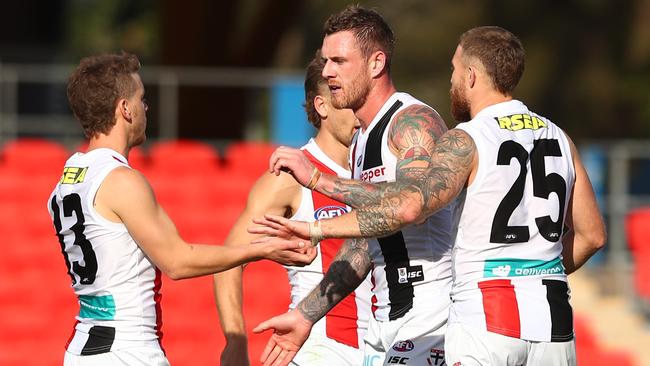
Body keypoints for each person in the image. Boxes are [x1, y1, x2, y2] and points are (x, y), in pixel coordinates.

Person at [255, 26, 607, 366]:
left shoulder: (459, 136)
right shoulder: (561, 137)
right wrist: (305, 315)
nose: (450, 80)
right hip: (553, 318)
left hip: (476, 316)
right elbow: (592, 235)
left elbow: (410, 205)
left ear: (470, 76)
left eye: (453, 70)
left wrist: (317, 193)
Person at [48, 52, 315, 366]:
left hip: (82, 348)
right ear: (124, 109)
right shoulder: (122, 181)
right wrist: (262, 249)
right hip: (127, 350)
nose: (145, 107)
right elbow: (178, 261)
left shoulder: (68, 176)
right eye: (141, 99)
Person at [252, 5, 455, 366]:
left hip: (429, 324)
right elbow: (366, 242)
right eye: (326, 61)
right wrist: (305, 315)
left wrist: (316, 185)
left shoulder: (411, 121)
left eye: (339, 61)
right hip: (384, 328)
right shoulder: (361, 140)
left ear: (376, 63)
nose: (327, 72)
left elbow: (410, 205)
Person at [212, 53, 373, 366]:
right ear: (321, 105)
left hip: (380, 346)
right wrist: (235, 341)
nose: (359, 114)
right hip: (319, 349)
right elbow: (228, 261)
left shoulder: (374, 171)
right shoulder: (288, 178)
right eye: (348, 103)